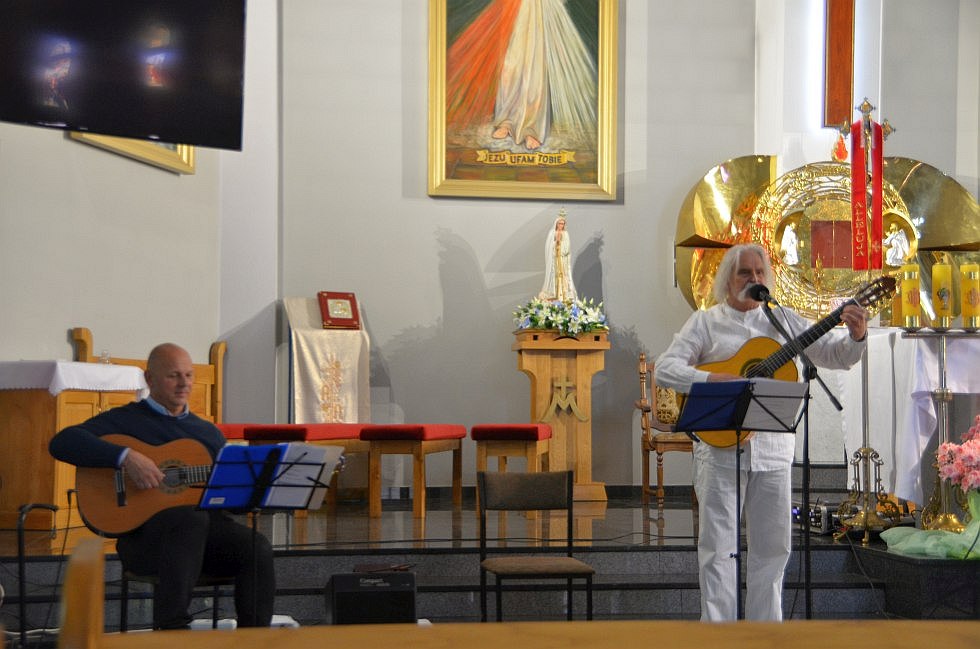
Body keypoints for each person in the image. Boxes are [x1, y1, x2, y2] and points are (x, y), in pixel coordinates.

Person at [655, 243, 868, 621]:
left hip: (773, 453)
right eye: (745, 272)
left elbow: (834, 356)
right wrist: (711, 379)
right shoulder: (706, 322)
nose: (753, 279)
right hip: (720, 452)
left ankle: (765, 635)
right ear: (727, 280)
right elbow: (665, 369)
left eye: (759, 273)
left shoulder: (783, 321)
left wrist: (856, 336)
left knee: (773, 548)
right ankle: (719, 636)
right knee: (718, 549)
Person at [49, 343, 275, 630]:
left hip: (203, 544)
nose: (184, 384)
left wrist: (253, 489)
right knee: (189, 519)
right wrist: (125, 457)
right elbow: (62, 442)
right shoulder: (126, 419)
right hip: (145, 543)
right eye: (173, 376)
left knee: (256, 545)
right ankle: (172, 630)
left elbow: (226, 501)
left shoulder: (207, 433)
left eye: (189, 375)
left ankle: (254, 637)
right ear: (150, 379)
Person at [538, 211, 576, 302]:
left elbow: (567, 247)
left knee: (563, 275)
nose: (561, 225)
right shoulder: (552, 233)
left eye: (563, 224)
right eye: (559, 223)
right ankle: (554, 294)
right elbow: (549, 245)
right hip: (555, 257)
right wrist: (556, 243)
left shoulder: (565, 234)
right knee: (554, 275)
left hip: (562, 258)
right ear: (556, 223)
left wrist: (560, 244)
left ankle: (564, 295)